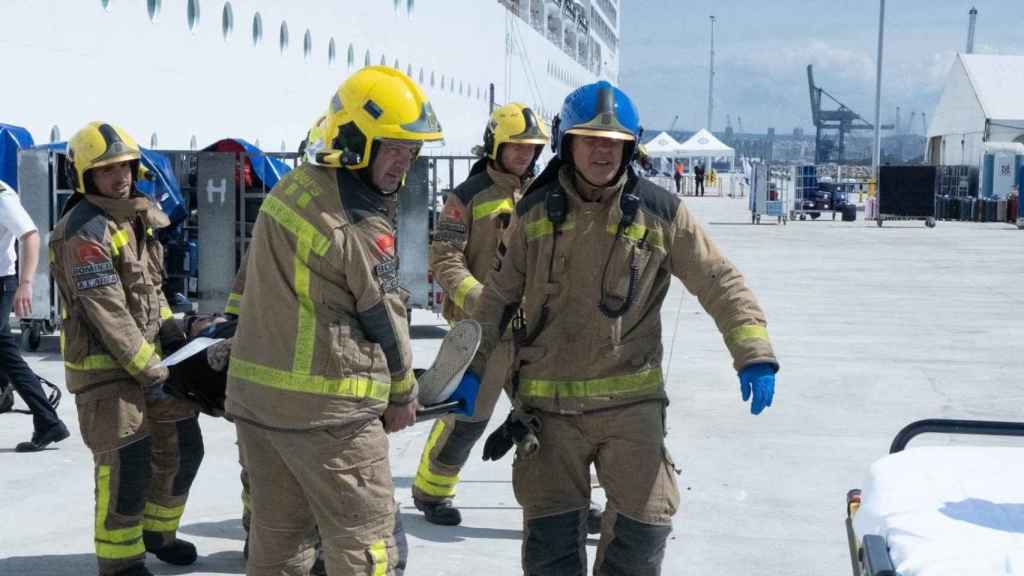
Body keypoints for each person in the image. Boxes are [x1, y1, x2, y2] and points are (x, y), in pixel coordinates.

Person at [470, 81, 780, 575]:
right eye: (590, 138)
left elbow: (719, 280)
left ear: (631, 147)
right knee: (550, 548)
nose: (602, 150)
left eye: (614, 141)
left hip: (631, 410)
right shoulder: (533, 213)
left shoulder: (661, 213)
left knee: (644, 528)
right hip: (550, 414)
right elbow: (497, 300)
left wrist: (754, 351)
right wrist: (470, 370)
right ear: (565, 144)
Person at [225, 66, 459, 575]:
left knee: (280, 547)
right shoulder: (358, 218)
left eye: (411, 151)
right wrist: (402, 392)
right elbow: (385, 312)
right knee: (371, 547)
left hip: (260, 409)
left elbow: (245, 289)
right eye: (393, 147)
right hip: (331, 415)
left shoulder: (290, 190)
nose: (405, 162)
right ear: (355, 140)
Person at [49, 122, 204, 576]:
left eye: (125, 166)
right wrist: (153, 370)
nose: (120, 177)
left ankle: (158, 532)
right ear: (85, 177)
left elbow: (149, 286)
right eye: (106, 170)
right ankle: (120, 561)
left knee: (185, 447)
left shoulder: (134, 214)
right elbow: (109, 313)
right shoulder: (81, 231)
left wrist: (174, 333)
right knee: (126, 464)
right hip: (107, 373)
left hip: (151, 360)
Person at [411, 103, 548, 526]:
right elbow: (445, 258)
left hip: (535, 331)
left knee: (552, 419)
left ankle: (563, 499)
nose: (524, 155)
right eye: (515, 147)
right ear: (495, 145)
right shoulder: (467, 196)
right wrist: (481, 301)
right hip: (485, 330)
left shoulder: (544, 195)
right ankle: (433, 492)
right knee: (467, 417)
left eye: (531, 148)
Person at [0, 179, 70, 451]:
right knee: (7, 355)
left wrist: (25, 283)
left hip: (2, 283)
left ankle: (46, 420)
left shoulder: (3, 196)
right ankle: (47, 421)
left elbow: (29, 235)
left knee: (8, 355)